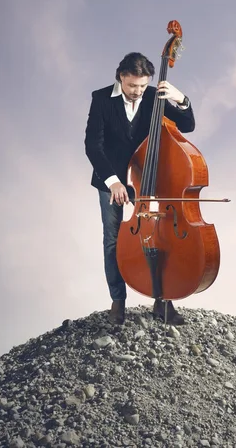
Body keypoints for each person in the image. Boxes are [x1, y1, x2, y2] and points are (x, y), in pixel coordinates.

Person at [84, 52, 195, 326]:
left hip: (148, 177)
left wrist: (180, 98)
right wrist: (113, 181)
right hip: (112, 181)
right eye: (133, 85)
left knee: (159, 237)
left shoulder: (152, 97)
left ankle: (163, 300)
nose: (138, 92)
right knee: (113, 240)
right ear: (121, 76)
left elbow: (188, 126)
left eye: (143, 86)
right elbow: (92, 146)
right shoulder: (100, 100)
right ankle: (118, 301)